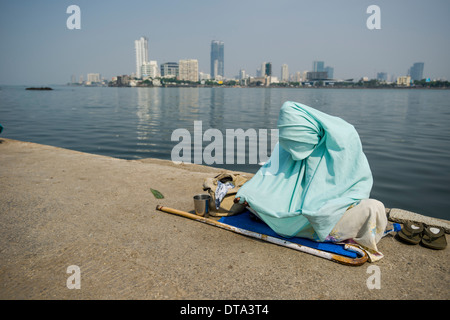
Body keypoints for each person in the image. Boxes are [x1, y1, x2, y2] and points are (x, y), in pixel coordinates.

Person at [234, 101, 387, 261]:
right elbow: (269, 177)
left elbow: (354, 185)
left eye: (298, 144)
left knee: (373, 209)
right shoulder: (287, 143)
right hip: (298, 207)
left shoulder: (343, 142)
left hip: (336, 203)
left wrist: (326, 209)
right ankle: (309, 225)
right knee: (254, 201)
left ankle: (308, 224)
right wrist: (247, 194)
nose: (293, 152)